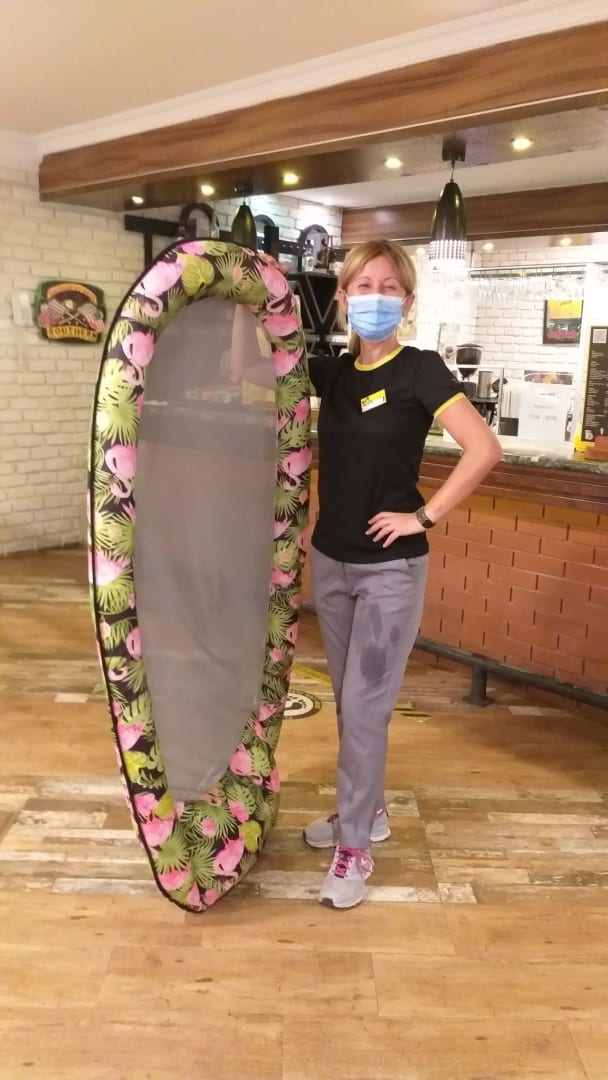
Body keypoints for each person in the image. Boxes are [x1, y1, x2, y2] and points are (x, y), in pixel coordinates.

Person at [304, 239, 502, 910]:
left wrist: (425, 515)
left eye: (389, 287)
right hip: (330, 561)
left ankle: (355, 845)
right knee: (349, 704)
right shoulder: (333, 375)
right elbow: (260, 356)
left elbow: (484, 448)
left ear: (408, 301)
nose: (376, 297)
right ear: (342, 297)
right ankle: (369, 810)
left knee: (365, 709)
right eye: (363, 285)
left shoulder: (420, 369)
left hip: (389, 570)